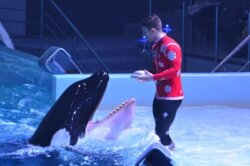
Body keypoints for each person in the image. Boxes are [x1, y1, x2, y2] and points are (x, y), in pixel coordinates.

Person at [132, 14, 184, 151]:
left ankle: (169, 151)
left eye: (145, 32)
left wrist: (153, 78)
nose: (144, 35)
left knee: (162, 130)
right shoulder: (156, 47)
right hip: (160, 95)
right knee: (158, 129)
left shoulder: (171, 46)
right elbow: (156, 69)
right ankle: (165, 150)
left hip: (172, 96)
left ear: (153, 30)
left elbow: (175, 70)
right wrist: (146, 75)